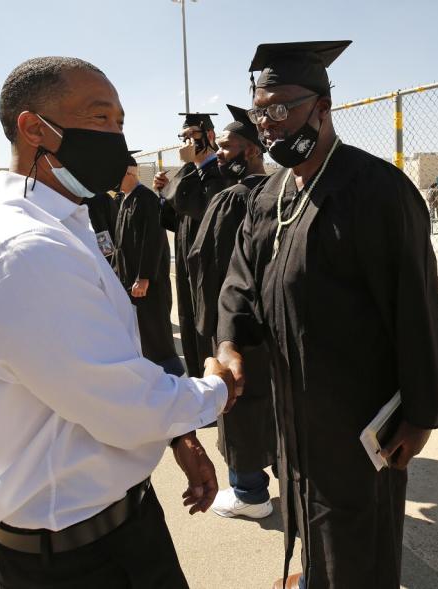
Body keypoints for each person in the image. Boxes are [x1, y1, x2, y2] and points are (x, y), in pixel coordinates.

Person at [0, 56, 238, 589]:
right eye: (100, 120)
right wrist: (215, 390)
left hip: (111, 521)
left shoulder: (58, 223)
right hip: (77, 558)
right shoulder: (27, 250)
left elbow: (102, 367)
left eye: (121, 122)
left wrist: (177, 437)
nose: (117, 138)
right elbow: (123, 405)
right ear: (34, 128)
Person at [217, 40, 438, 588]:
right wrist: (229, 341)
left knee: (356, 531)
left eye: (281, 109)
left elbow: (416, 305)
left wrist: (420, 416)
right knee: (303, 507)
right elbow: (241, 281)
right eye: (261, 112)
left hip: (359, 413)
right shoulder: (270, 194)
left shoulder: (376, 191)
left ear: (322, 106)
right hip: (295, 404)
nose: (269, 124)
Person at [187, 104, 276, 520]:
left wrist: (213, 327)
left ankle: (248, 492)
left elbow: (207, 264)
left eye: (227, 146)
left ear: (253, 149)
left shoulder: (233, 199)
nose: (219, 153)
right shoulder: (282, 190)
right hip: (275, 327)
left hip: (236, 328)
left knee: (239, 403)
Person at [156, 112, 229, 379]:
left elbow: (201, 209)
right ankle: (199, 380)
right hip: (188, 262)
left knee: (207, 322)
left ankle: (217, 381)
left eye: (192, 135)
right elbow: (175, 221)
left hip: (210, 266)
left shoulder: (219, 172)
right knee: (188, 320)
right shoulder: (194, 173)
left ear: (209, 136)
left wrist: (185, 169)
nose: (186, 143)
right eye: (183, 137)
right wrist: (164, 195)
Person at [115, 158, 185, 376]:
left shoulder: (145, 199)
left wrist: (143, 277)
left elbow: (153, 240)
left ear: (129, 173)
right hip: (130, 280)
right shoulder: (125, 199)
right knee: (142, 334)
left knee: (156, 333)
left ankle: (174, 378)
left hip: (148, 283)